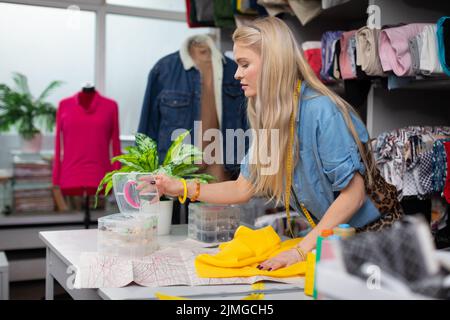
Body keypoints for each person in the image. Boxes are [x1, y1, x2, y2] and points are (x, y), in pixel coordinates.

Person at [139, 17, 403, 271]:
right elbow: (243, 188)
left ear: (273, 64)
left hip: (378, 241)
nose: (237, 74)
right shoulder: (272, 119)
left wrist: (300, 251)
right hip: (336, 239)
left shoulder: (321, 111)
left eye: (244, 64)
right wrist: (179, 187)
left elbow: (353, 196)